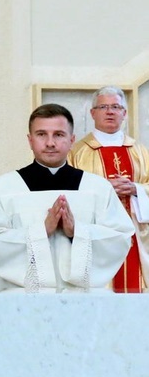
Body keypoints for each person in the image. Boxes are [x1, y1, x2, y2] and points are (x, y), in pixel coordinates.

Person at [0, 103, 133, 292]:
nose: (50, 143)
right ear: (30, 140)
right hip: (22, 301)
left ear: (72, 139)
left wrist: (76, 231)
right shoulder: (2, 188)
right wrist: (41, 231)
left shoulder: (97, 188)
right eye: (41, 134)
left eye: (59, 134)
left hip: (82, 301)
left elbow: (119, 238)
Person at [68, 86, 149, 292]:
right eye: (103, 106)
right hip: (97, 233)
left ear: (125, 113)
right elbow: (69, 191)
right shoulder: (77, 152)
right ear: (92, 112)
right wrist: (104, 189)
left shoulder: (139, 150)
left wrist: (136, 189)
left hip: (136, 236)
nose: (110, 112)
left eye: (116, 107)